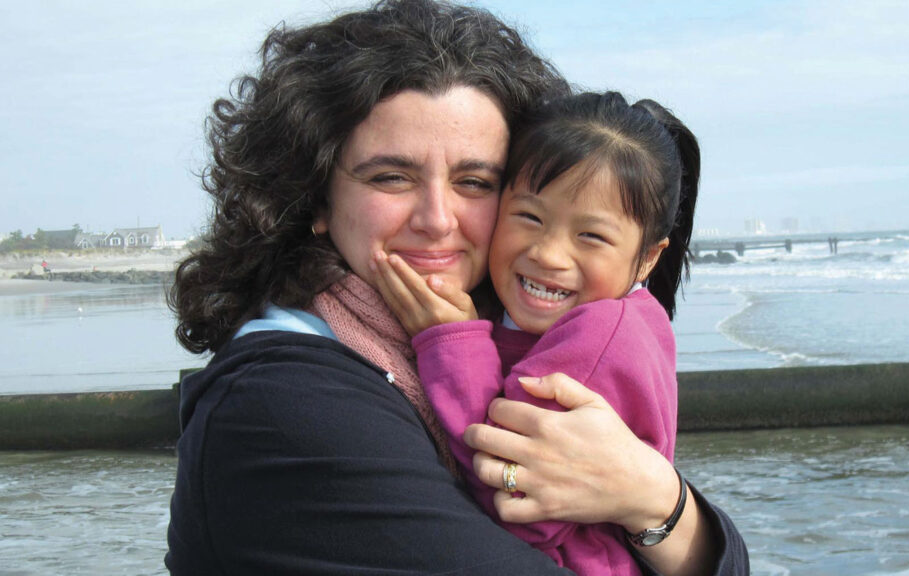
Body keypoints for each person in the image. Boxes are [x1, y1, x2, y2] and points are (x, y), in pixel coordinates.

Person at [165, 1, 748, 574]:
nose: (438, 219)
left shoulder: (515, 338)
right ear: (315, 195)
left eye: (475, 180)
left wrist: (651, 495)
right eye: (391, 177)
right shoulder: (282, 403)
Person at [371, 91, 699, 575]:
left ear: (649, 257)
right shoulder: (573, 313)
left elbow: (519, 499)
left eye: (591, 236)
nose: (548, 253)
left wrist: (451, 340)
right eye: (529, 217)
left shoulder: (600, 334)